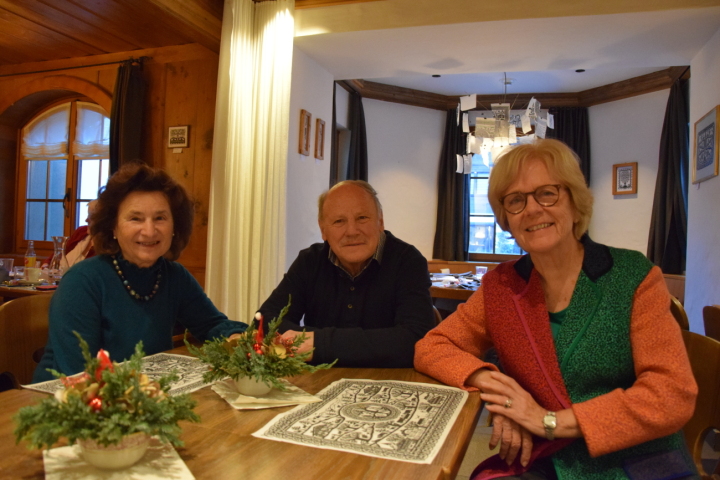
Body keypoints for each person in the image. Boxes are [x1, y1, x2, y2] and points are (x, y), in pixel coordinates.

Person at [414, 139, 698, 479]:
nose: (532, 209)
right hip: (549, 460)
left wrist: (547, 421)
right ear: (506, 218)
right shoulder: (502, 286)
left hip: (634, 459)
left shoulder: (633, 277)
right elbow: (431, 347)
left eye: (547, 193)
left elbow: (671, 394)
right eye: (516, 200)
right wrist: (501, 391)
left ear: (575, 202)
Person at [34, 163, 247, 382]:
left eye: (160, 218)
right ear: (113, 227)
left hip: (144, 392)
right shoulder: (82, 282)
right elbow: (77, 373)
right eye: (135, 218)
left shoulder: (174, 276)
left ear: (175, 227)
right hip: (67, 402)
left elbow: (211, 324)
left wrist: (237, 337)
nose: (149, 230)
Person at [256, 180, 435, 368]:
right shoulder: (309, 261)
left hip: (389, 383)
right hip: (319, 382)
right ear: (323, 229)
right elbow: (265, 322)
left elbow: (415, 340)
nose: (351, 231)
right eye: (339, 221)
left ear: (380, 221)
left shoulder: (407, 261)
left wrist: (319, 343)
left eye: (362, 218)